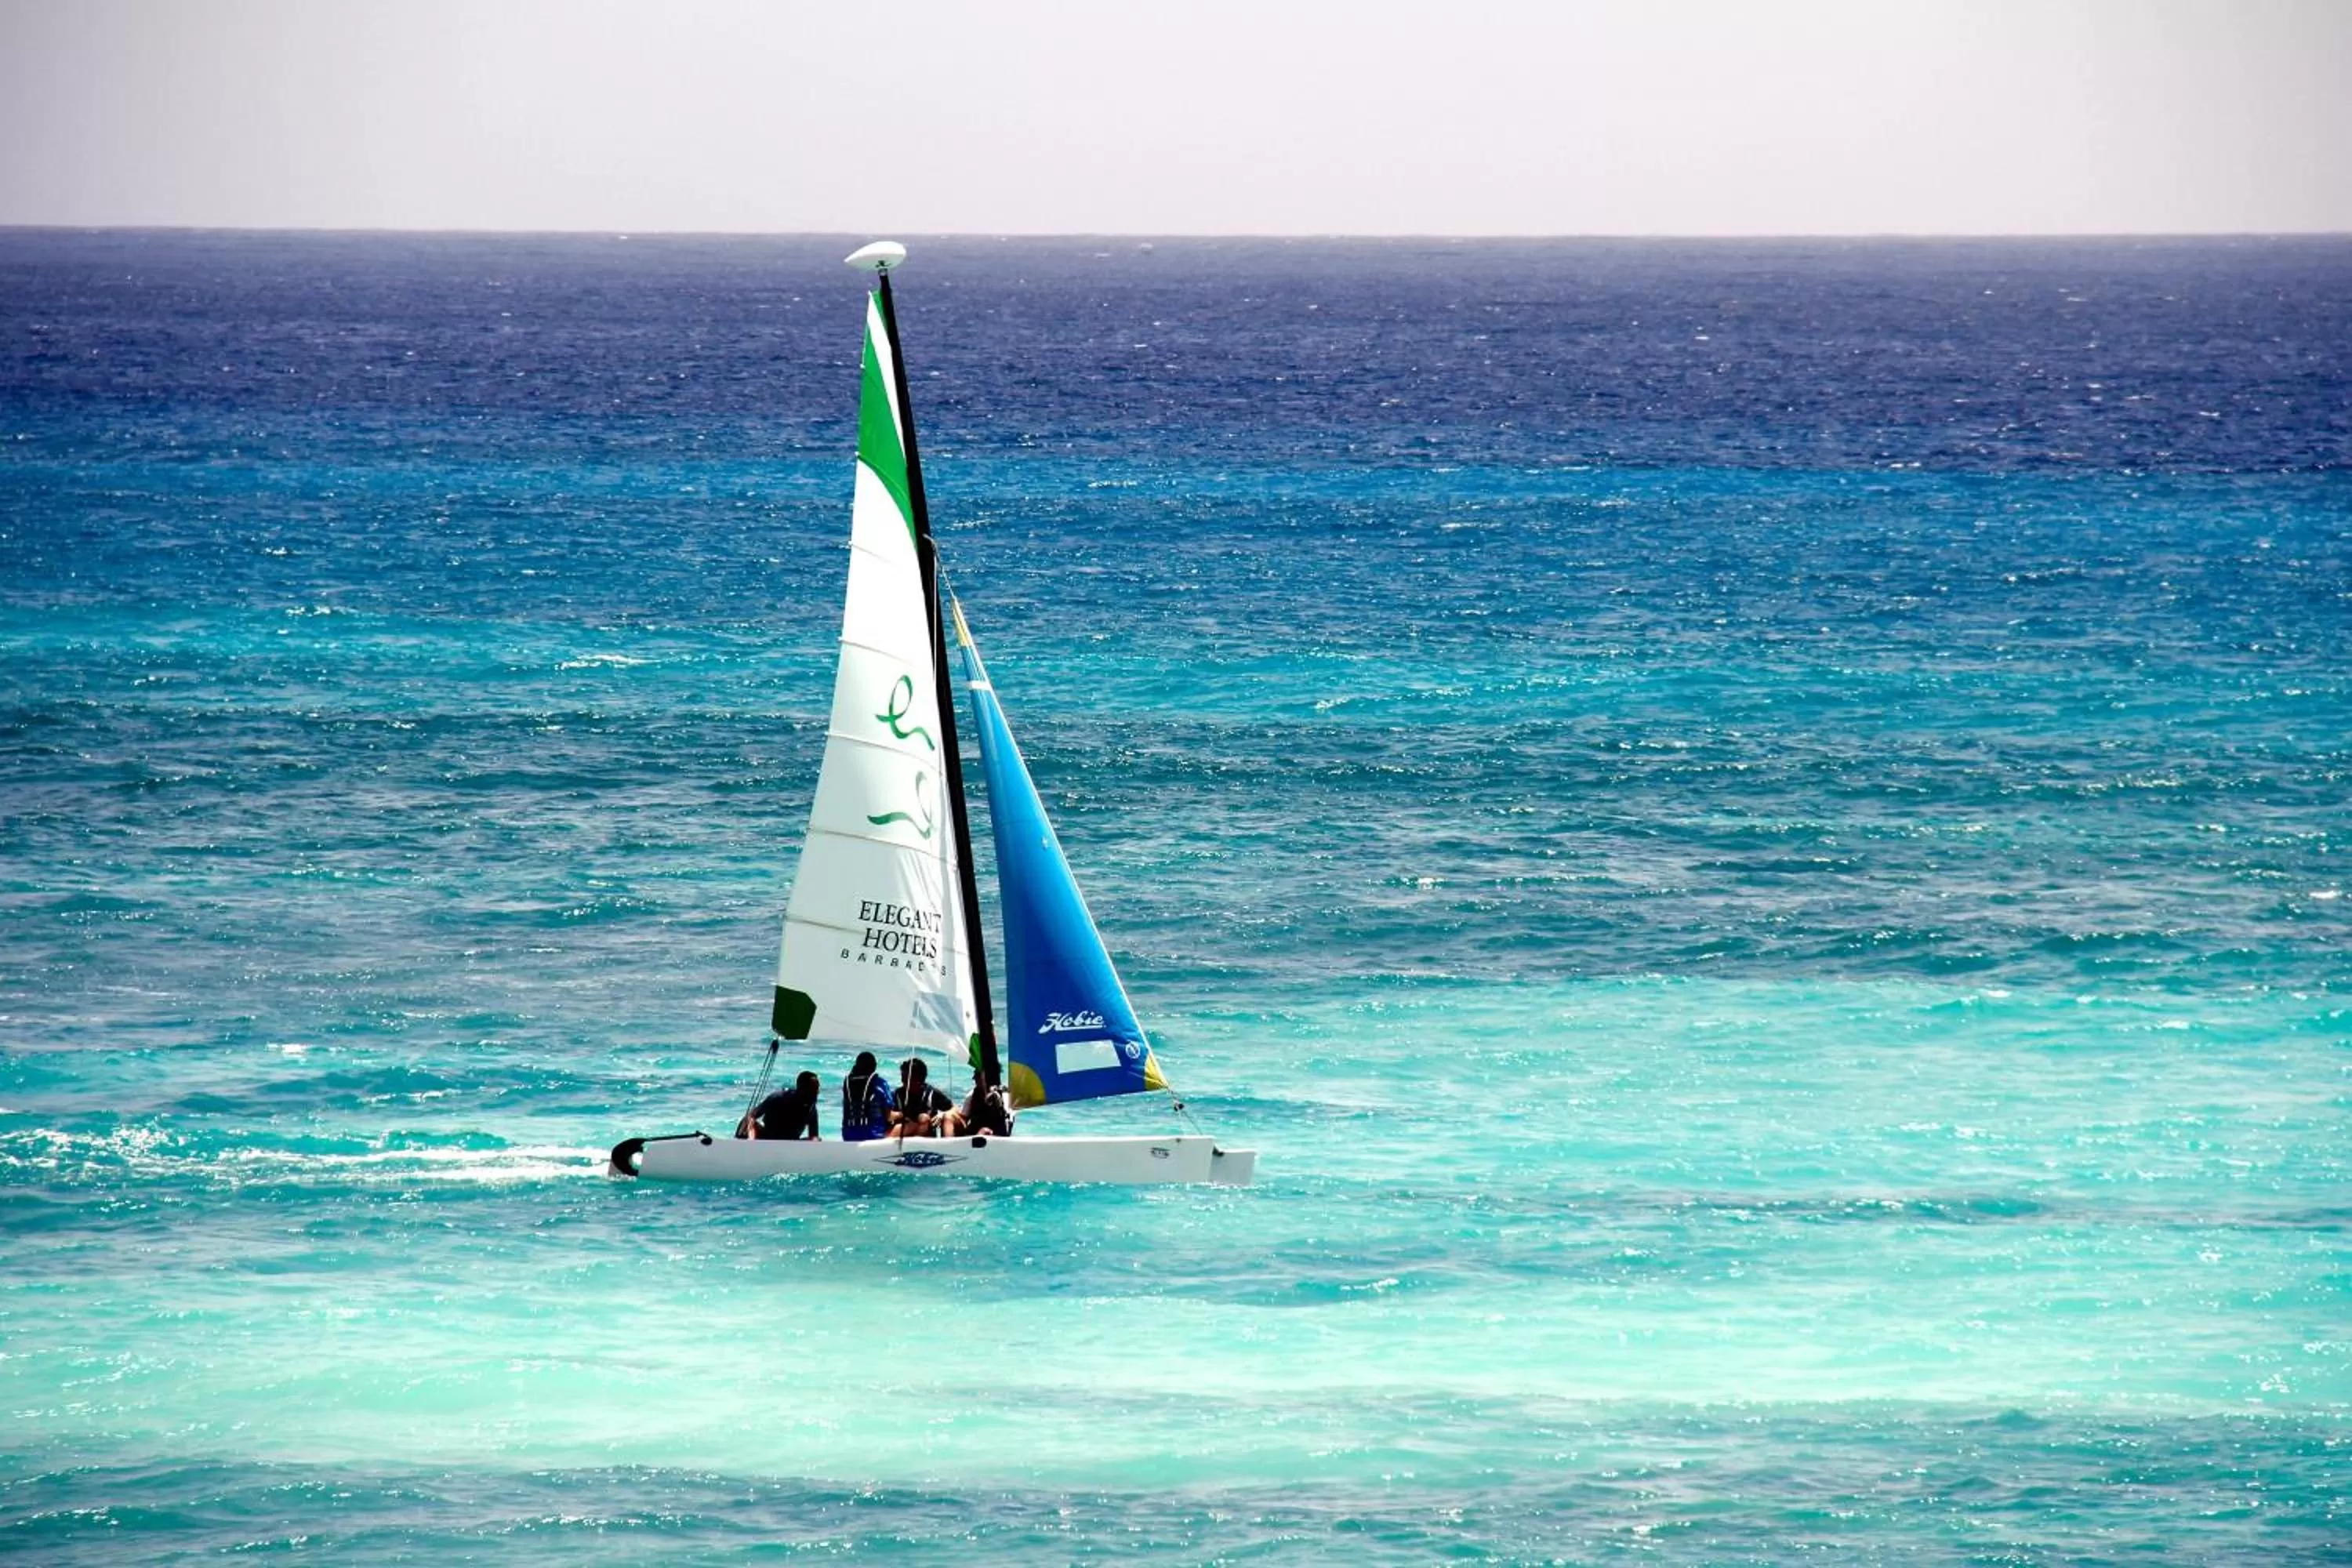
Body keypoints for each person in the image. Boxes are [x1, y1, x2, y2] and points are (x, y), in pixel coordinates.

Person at [740, 1070, 822, 1141]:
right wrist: (751, 1138)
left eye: (816, 1091)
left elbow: (814, 1136)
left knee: (816, 1139)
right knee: (747, 1121)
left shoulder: (811, 1109)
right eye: (811, 1091)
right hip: (768, 1139)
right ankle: (748, 1146)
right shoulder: (777, 1098)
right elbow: (752, 1116)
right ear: (800, 1089)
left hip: (791, 1143)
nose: (815, 1095)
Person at [891, 1056, 956, 1138]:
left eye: (905, 1079)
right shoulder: (897, 1094)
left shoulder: (932, 1093)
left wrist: (942, 1115)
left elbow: (954, 1108)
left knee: (924, 1118)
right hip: (904, 1135)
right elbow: (887, 1114)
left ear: (919, 1080)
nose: (902, 1082)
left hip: (926, 1138)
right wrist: (898, 1115)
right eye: (902, 1078)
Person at [840, 1051, 895, 1142]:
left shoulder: (847, 1084)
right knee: (905, 1125)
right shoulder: (880, 1083)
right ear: (874, 1067)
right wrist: (901, 1115)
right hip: (874, 1135)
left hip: (848, 1135)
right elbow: (889, 1117)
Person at [956, 1072, 1014, 1138]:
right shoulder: (972, 1095)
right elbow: (963, 1121)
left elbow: (1008, 1124)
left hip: (997, 1136)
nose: (974, 1078)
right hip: (975, 1136)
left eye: (977, 1075)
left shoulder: (1005, 1097)